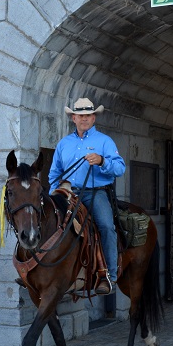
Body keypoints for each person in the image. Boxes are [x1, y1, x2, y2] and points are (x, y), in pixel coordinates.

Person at [48, 97, 125, 295]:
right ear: (73, 118)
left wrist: (101, 161)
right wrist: (52, 195)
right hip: (67, 193)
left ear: (94, 118)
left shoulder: (104, 141)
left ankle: (109, 276)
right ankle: (44, 270)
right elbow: (54, 173)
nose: (84, 119)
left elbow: (119, 168)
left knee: (106, 226)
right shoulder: (64, 143)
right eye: (80, 115)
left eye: (88, 115)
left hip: (94, 193)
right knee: (47, 221)